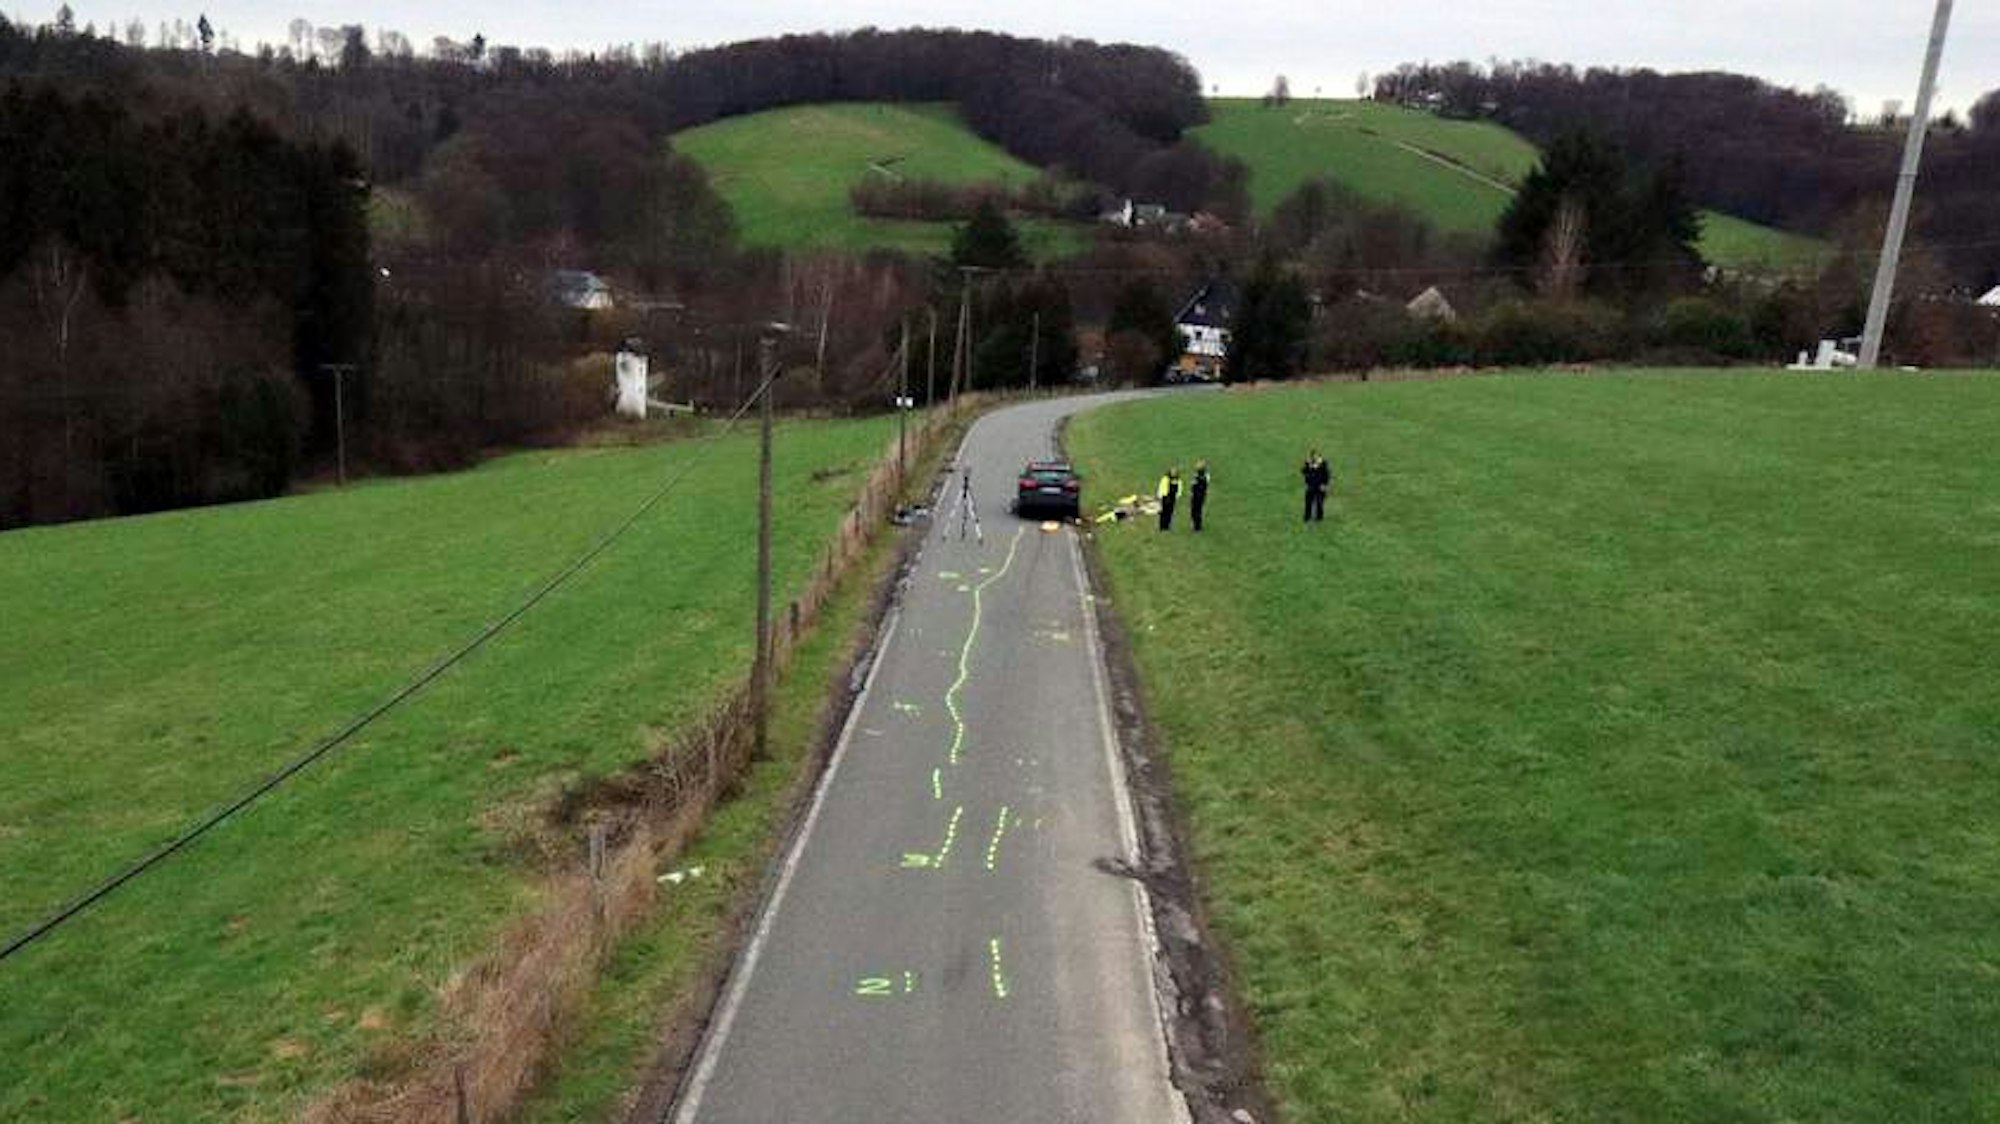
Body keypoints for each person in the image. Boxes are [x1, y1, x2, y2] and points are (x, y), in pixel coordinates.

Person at [1301, 450, 1330, 523]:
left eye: (1317, 456)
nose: (1315, 457)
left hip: (1320, 486)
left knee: (1319, 503)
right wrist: (1308, 465)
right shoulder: (1309, 463)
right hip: (1311, 486)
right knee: (1308, 502)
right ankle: (1307, 517)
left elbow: (1327, 475)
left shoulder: (1323, 464)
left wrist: (1324, 485)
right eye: (1314, 456)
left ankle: (1319, 518)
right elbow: (1303, 471)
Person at [1189, 460, 1211, 532]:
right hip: (1201, 495)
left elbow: (1194, 486)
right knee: (1197, 510)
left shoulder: (1199, 478)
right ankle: (1197, 525)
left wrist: (1194, 483)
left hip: (1197, 496)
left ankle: (1197, 527)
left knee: (1195, 511)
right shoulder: (1205, 477)